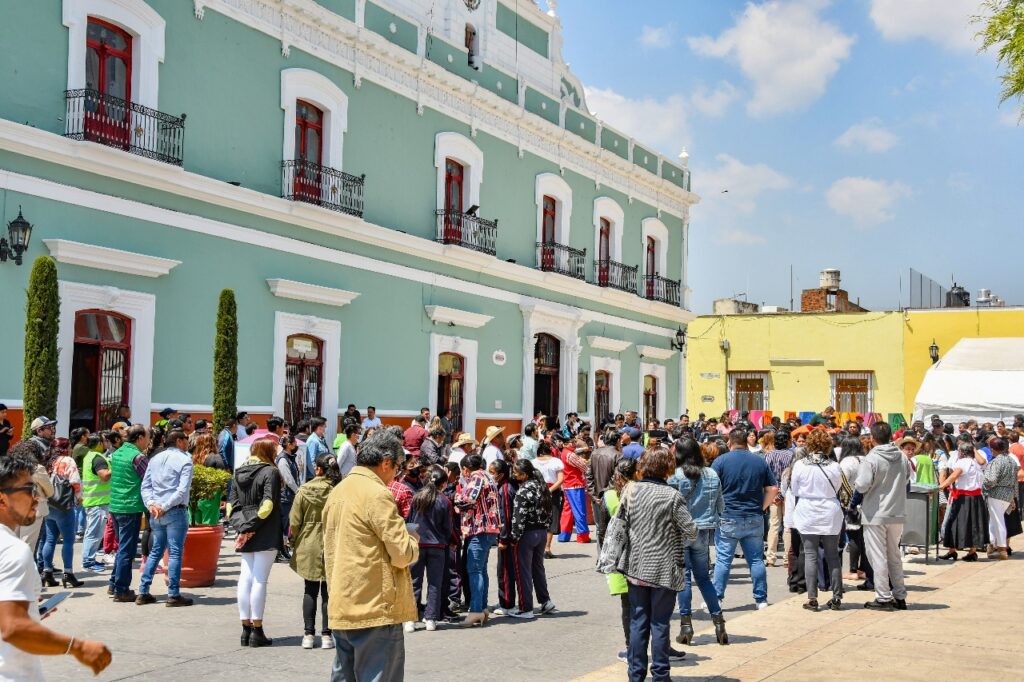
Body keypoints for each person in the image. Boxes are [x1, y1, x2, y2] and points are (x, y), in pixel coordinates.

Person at [0, 452, 113, 678]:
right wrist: (77, 647)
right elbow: (13, 628)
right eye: (29, 490)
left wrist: (29, 610)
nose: (37, 498)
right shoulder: (13, 550)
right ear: (2, 499)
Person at [322, 429, 418, 681]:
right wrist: (412, 539)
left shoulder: (338, 491)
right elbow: (402, 553)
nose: (397, 473)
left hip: (343, 602)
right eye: (397, 466)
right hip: (374, 607)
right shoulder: (376, 493)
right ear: (386, 463)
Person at [615, 447, 697, 682]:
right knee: (660, 624)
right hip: (664, 570)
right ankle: (661, 676)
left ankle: (635, 675)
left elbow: (620, 524)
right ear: (668, 468)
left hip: (635, 567)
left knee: (638, 622)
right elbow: (690, 531)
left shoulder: (630, 490)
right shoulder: (672, 496)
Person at [711, 430, 778, 609]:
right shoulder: (759, 461)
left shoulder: (720, 461)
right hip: (754, 516)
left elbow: (711, 487)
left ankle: (717, 598)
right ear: (747, 442)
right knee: (756, 560)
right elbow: (773, 489)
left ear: (730, 442)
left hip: (728, 516)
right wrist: (762, 507)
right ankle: (761, 599)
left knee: (723, 560)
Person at [671, 438, 727, 646]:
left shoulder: (675, 476)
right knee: (703, 578)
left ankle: (686, 625)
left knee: (684, 578)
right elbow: (721, 505)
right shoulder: (711, 474)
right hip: (703, 531)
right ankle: (719, 623)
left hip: (680, 531)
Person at [229, 439, 284, 647]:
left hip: (245, 527)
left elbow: (231, 506)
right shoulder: (270, 472)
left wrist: (244, 527)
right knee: (259, 579)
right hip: (265, 529)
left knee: (245, 577)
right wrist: (252, 526)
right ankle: (257, 629)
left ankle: (246, 629)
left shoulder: (238, 472)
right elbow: (268, 503)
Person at [787, 429, 845, 612]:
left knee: (810, 555)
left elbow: (794, 489)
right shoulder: (835, 466)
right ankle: (837, 596)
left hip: (808, 511)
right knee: (833, 555)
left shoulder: (800, 465)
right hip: (830, 510)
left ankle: (812, 598)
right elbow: (838, 488)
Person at [136, 430, 194, 607]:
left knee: (156, 551)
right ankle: (173, 594)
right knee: (174, 552)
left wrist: (152, 504)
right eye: (186, 438)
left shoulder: (154, 459)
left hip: (157, 511)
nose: (188, 442)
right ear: (178, 441)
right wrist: (163, 506)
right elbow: (182, 490)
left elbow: (145, 486)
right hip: (173, 510)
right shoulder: (185, 460)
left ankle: (143, 591)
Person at [856, 422, 911, 611]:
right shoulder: (902, 456)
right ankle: (900, 595)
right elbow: (907, 478)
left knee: (877, 555)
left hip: (876, 513)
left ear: (872, 438)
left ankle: (883, 596)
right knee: (894, 554)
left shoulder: (871, 458)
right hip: (897, 510)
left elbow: (862, 485)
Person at [290, 453, 341, 649]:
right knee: (329, 592)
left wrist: (293, 541)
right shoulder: (338, 490)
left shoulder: (304, 490)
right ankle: (327, 635)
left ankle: (308, 635)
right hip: (332, 542)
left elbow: (294, 522)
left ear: (318, 469)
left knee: (310, 589)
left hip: (309, 542)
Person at [454, 454, 500, 626]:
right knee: (481, 570)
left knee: (474, 571)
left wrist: (457, 497)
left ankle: (475, 610)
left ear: (466, 469)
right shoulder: (488, 476)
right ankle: (482, 608)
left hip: (480, 529)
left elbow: (467, 500)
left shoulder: (477, 478)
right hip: (488, 529)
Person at [406, 465, 452, 632]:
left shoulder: (417, 497)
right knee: (435, 583)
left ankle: (410, 619)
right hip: (437, 546)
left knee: (414, 582)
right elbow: (448, 527)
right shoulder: (444, 501)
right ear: (443, 483)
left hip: (417, 544)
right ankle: (431, 618)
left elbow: (409, 521)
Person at [107, 425, 150, 602]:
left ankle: (114, 584)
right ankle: (121, 590)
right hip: (130, 507)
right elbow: (149, 478)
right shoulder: (138, 457)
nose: (149, 441)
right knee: (127, 550)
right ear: (139, 438)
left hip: (116, 505)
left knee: (122, 548)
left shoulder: (117, 453)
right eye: (147, 437)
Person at [508, 459, 553, 621]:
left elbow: (518, 518)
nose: (514, 475)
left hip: (527, 535)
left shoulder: (523, 491)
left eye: (516, 473)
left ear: (524, 475)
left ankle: (526, 608)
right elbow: (550, 512)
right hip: (541, 533)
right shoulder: (542, 487)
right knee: (537, 568)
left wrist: (514, 537)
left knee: (523, 572)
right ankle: (545, 601)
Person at [38, 439, 83, 589]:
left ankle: (47, 572)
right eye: (69, 447)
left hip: (49, 504)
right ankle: (68, 573)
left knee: (50, 539)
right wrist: (79, 498)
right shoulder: (68, 461)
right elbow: (75, 481)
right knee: (68, 540)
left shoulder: (47, 461)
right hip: (64, 506)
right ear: (65, 448)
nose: (71, 449)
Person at [838, 437, 873, 588]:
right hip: (867, 502)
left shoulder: (846, 462)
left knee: (853, 537)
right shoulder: (866, 459)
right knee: (864, 538)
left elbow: (841, 482)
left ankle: (853, 570)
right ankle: (863, 568)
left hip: (851, 503)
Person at [80, 434, 112, 572]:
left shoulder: (89, 456)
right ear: (99, 443)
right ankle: (88, 562)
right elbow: (104, 476)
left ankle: (89, 560)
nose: (106, 443)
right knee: (94, 534)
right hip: (98, 503)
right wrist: (116, 467)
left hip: (94, 501)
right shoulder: (98, 458)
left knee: (92, 533)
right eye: (104, 441)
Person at [982, 438, 1016, 560]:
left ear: (992, 449)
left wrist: (983, 485)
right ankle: (991, 545)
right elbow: (1015, 480)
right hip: (1008, 493)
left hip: (996, 494)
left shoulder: (996, 462)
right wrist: (1013, 497)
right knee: (994, 520)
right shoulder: (1011, 461)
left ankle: (1002, 549)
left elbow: (991, 480)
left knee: (998, 520)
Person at [587, 430, 622, 547]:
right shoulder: (618, 455)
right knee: (612, 527)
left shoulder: (594, 453)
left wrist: (594, 495)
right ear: (618, 441)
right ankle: (608, 554)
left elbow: (588, 476)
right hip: (611, 497)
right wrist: (604, 494)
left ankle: (601, 554)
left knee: (600, 528)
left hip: (598, 496)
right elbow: (616, 478)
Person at [763, 431, 793, 567]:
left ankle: (770, 558)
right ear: (787, 441)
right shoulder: (791, 456)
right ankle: (787, 559)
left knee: (774, 524)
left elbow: (765, 476)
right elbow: (791, 476)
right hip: (787, 494)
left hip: (772, 493)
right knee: (787, 525)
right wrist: (782, 493)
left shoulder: (768, 455)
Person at [532, 441, 564, 559]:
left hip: (536, 491)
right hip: (553, 491)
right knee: (551, 519)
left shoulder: (533, 462)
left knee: (537, 518)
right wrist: (550, 490)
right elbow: (561, 479)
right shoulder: (556, 461)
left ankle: (536, 547)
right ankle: (547, 548)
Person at [558, 439, 591, 544]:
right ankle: (583, 536)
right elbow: (585, 468)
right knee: (579, 511)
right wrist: (586, 461)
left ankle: (564, 535)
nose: (574, 444)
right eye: (572, 442)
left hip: (568, 485)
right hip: (576, 485)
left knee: (567, 511)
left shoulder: (565, 452)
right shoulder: (570, 455)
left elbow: (579, 451)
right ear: (566, 443)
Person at [276, 435, 301, 562]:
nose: (296, 445)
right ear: (288, 445)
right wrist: (298, 491)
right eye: (294, 443)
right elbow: (288, 479)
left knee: (286, 525)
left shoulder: (290, 458)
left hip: (289, 496)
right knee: (282, 525)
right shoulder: (283, 459)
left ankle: (284, 549)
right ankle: (279, 551)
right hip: (285, 496)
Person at [304, 418, 331, 482]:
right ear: (319, 428)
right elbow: (310, 461)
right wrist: (316, 474)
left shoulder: (319, 439)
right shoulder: (313, 441)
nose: (325, 429)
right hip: (315, 478)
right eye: (324, 426)